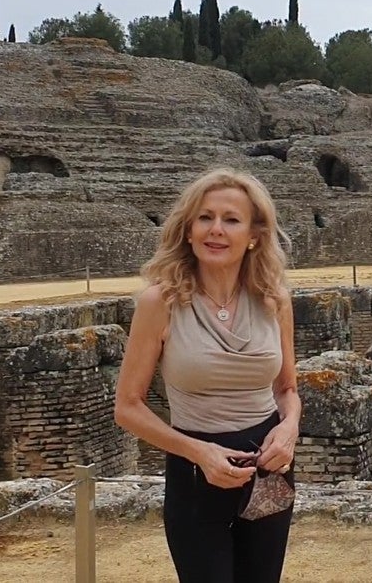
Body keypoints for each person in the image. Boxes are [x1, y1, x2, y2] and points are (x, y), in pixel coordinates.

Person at [115, 168, 300, 583]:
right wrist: (200, 452)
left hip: (268, 468)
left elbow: (286, 388)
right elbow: (127, 407)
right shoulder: (159, 302)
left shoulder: (275, 300)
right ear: (188, 229)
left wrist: (288, 430)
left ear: (254, 234)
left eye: (231, 220)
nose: (216, 229)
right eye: (205, 217)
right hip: (196, 474)